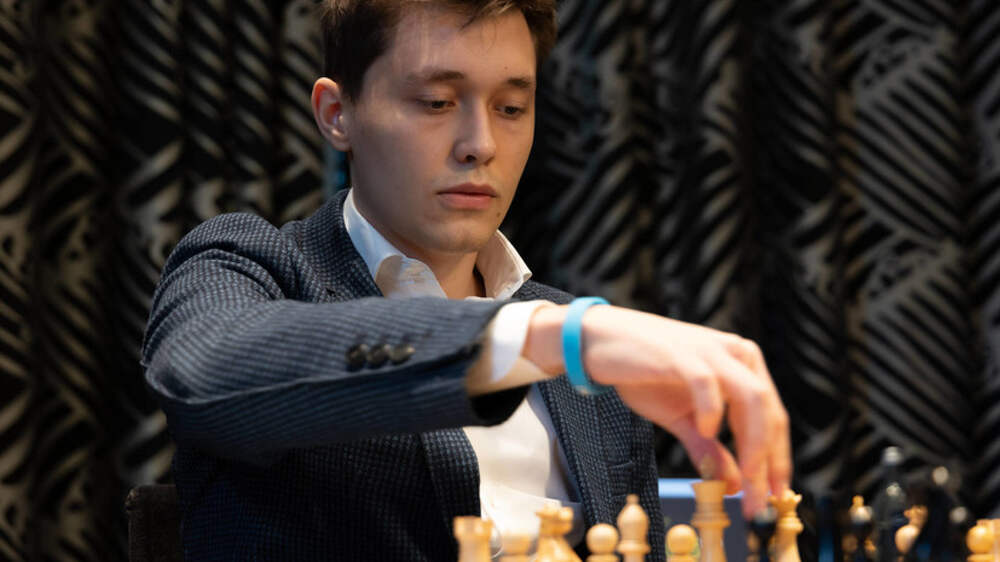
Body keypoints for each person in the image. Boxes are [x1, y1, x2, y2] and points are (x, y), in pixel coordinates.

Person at [141, 0, 791, 559]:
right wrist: (547, 339)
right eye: (437, 102)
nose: (481, 143)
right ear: (337, 113)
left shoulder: (587, 357)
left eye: (511, 107)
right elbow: (208, 368)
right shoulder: (251, 267)